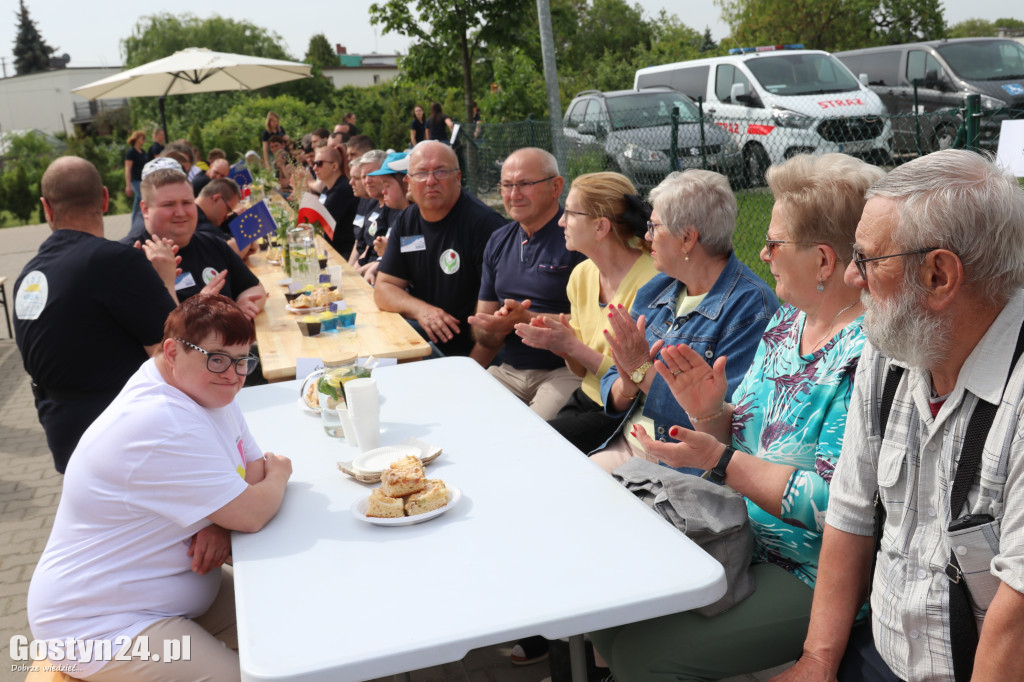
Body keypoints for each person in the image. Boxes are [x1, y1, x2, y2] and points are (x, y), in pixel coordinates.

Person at [589, 153, 885, 680]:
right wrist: (709, 412)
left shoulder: (867, 356)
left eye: (774, 243)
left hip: (810, 570)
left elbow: (837, 507)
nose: (762, 254)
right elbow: (736, 436)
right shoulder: (788, 321)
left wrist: (722, 459)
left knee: (641, 656)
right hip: (735, 532)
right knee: (609, 622)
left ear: (822, 261)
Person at [775, 150, 1024, 682]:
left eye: (866, 259)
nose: (850, 275)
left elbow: (1017, 614)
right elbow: (850, 513)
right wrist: (817, 660)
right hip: (877, 657)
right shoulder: (890, 351)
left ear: (938, 275)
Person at [27, 294, 293, 682]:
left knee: (291, 624)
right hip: (97, 626)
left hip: (158, 595)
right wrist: (281, 473)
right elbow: (252, 511)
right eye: (217, 358)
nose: (234, 375)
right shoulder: (161, 421)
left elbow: (250, 472)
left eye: (243, 361)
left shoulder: (207, 388)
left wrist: (220, 520)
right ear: (172, 351)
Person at [590, 169, 779, 473]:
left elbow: (725, 421)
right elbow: (615, 376)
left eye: (654, 227)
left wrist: (642, 373)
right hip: (625, 443)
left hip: (681, 467)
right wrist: (627, 384)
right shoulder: (658, 288)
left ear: (688, 238)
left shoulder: (750, 306)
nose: (647, 236)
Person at [13, 156, 178, 473]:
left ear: (46, 208)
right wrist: (166, 283)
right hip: (123, 437)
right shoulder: (117, 262)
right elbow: (175, 353)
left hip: (64, 437)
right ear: (104, 198)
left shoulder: (28, 276)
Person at [515, 172, 659, 454]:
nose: (560, 221)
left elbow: (634, 377)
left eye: (569, 213)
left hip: (626, 409)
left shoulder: (651, 281)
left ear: (600, 226)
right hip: (589, 397)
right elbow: (581, 371)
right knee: (526, 436)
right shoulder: (581, 275)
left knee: (536, 446)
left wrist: (572, 346)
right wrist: (565, 347)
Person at [467, 147, 586, 419]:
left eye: (524, 184)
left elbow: (596, 321)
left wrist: (527, 318)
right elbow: (484, 336)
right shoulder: (498, 241)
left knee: (535, 432)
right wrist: (493, 327)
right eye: (507, 185)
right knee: (465, 414)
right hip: (509, 370)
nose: (513, 194)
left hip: (567, 371)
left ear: (556, 186)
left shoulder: (578, 238)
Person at [375, 141, 506, 356]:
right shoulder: (407, 221)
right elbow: (383, 289)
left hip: (475, 350)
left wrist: (471, 373)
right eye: (421, 173)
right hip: (429, 341)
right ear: (409, 181)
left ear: (458, 177)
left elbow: (498, 321)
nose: (431, 181)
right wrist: (422, 310)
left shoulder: (485, 226)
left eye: (441, 171)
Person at [127, 167, 266, 319]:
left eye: (187, 202)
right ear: (145, 210)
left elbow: (254, 288)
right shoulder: (132, 259)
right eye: (169, 205)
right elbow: (163, 336)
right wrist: (203, 310)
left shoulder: (211, 243)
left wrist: (244, 305)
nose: (180, 212)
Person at [361, 151, 411, 284]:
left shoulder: (415, 216)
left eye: (387, 185)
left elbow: (420, 246)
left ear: (406, 183)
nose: (383, 191)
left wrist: (391, 250)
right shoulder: (403, 215)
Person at [312, 145, 358, 260]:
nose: (314, 168)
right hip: (330, 248)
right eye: (314, 164)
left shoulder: (342, 190)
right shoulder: (328, 188)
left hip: (342, 253)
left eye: (319, 163)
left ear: (334, 166)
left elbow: (318, 224)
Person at [124, 130, 147, 226]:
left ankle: (133, 225)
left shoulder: (143, 152)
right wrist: (128, 185)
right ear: (137, 139)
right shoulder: (131, 153)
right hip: (135, 181)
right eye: (143, 138)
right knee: (146, 200)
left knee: (137, 206)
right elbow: (128, 169)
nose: (144, 140)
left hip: (143, 180)